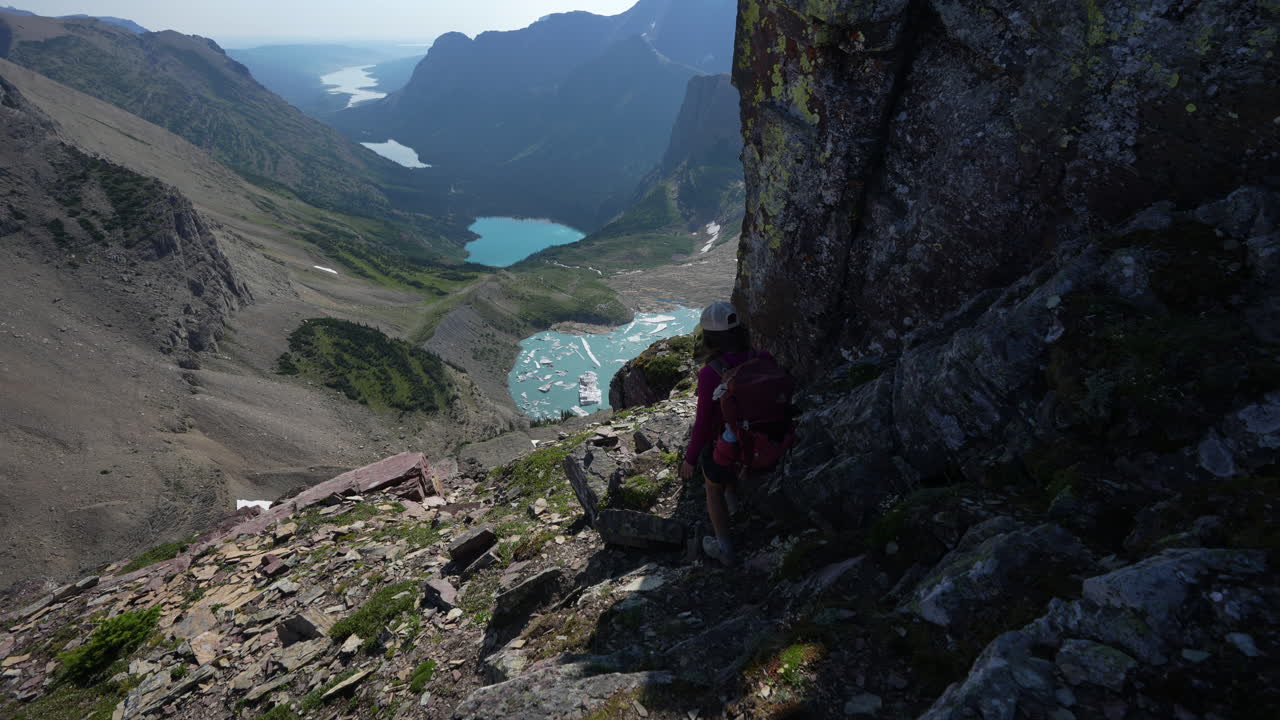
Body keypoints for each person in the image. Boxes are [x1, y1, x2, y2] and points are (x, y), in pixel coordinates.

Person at [678, 300, 768, 566]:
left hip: (729, 444)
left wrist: (690, 459)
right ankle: (736, 507)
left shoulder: (710, 373)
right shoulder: (761, 357)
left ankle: (725, 547)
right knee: (725, 467)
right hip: (762, 437)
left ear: (709, 338)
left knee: (711, 486)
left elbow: (704, 421)